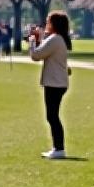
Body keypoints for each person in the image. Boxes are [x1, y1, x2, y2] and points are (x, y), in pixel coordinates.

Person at [29, 12, 71, 159]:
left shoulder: (55, 39)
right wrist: (39, 39)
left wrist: (32, 41)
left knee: (52, 116)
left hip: (54, 82)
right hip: (57, 81)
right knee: (52, 116)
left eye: (48, 21)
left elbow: (36, 55)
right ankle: (57, 148)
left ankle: (59, 148)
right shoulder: (58, 39)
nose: (46, 24)